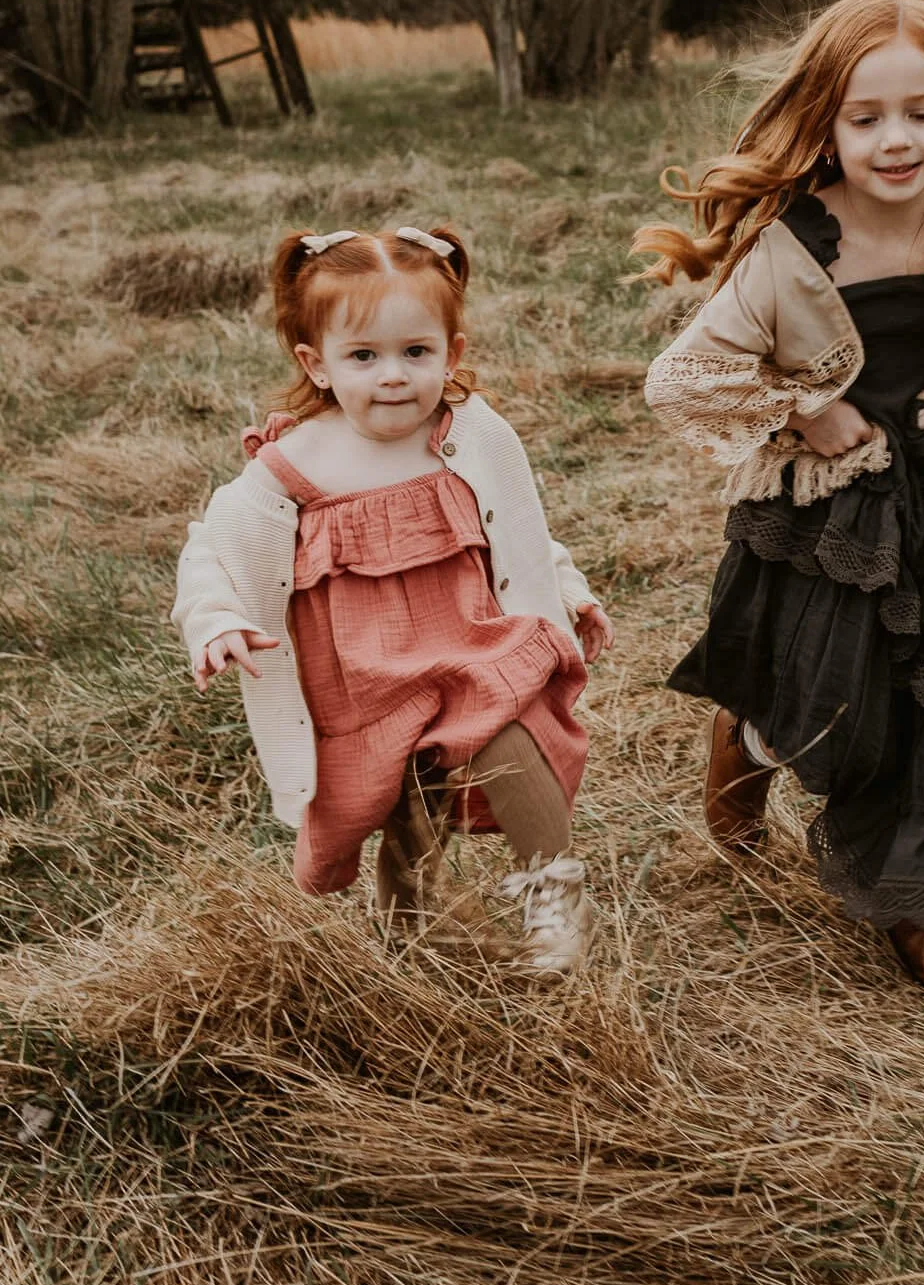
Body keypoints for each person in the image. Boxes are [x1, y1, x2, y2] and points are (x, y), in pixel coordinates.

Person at [635, 0, 924, 1004]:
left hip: (923, 511)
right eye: (866, 116)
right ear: (828, 124)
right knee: (816, 702)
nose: (896, 139)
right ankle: (747, 741)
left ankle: (921, 909)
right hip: (817, 520)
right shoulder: (794, 248)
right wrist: (804, 412)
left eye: (920, 113)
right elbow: (681, 378)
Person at [173, 224, 611, 975]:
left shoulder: (470, 435)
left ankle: (555, 893)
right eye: (364, 357)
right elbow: (213, 548)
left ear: (453, 352)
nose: (393, 377)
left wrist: (562, 586)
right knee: (408, 802)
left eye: (416, 353)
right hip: (365, 674)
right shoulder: (293, 463)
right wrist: (216, 619)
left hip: (475, 641)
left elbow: (514, 532)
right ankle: (411, 938)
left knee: (507, 731)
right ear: (316, 363)